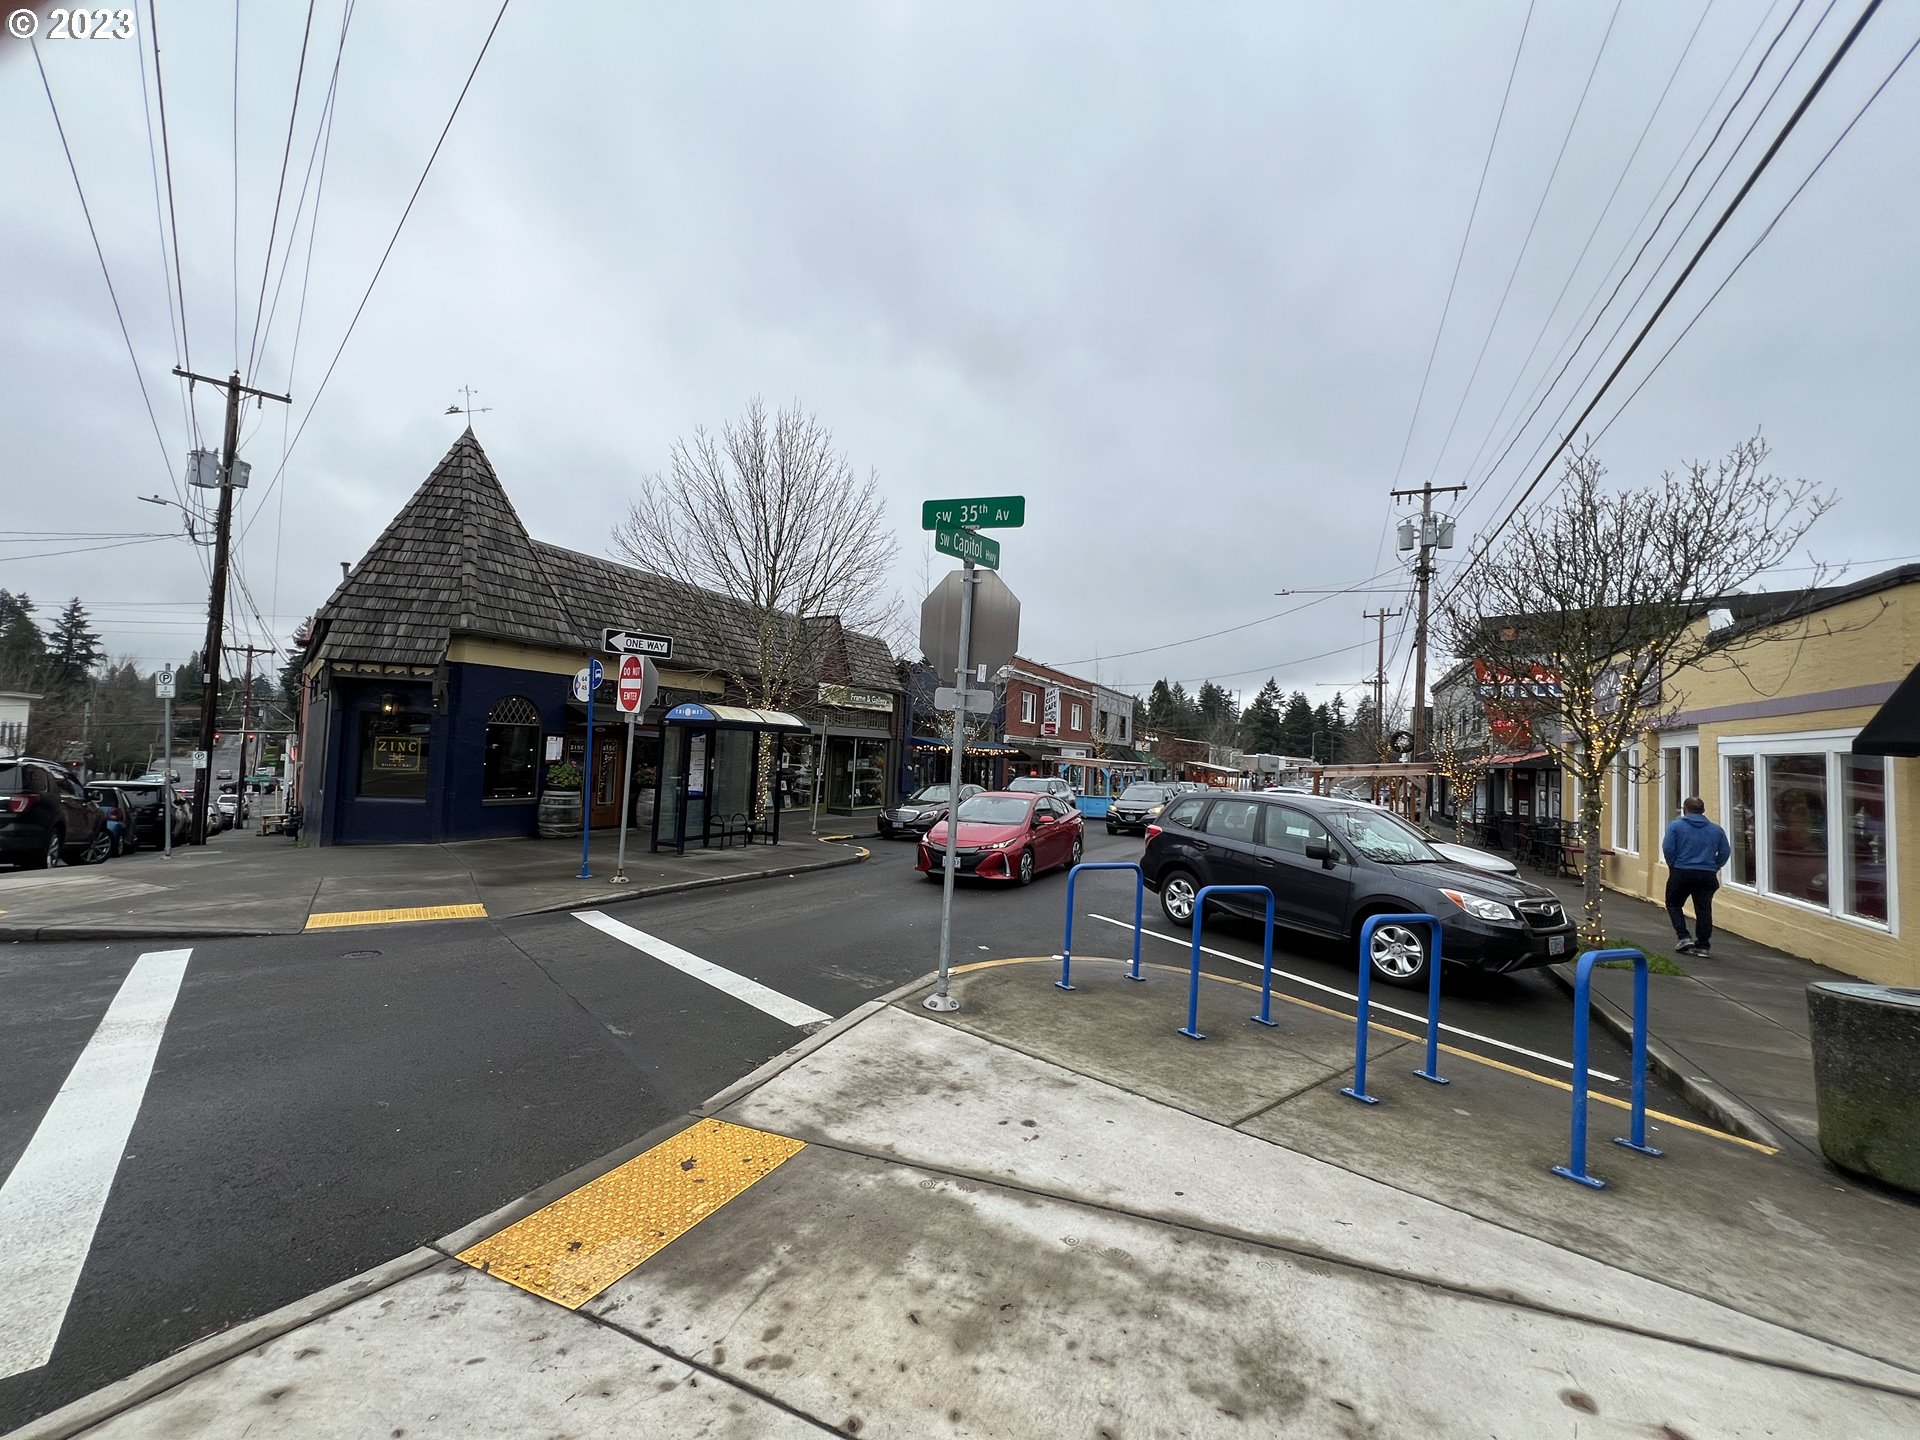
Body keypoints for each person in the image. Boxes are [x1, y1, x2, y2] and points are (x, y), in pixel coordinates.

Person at [1662, 797, 1732, 956]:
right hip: (1706, 873)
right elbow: (1725, 852)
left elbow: (1668, 848)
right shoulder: (1716, 830)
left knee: (1673, 903)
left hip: (1682, 871)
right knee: (1704, 909)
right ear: (1703, 810)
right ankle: (1703, 946)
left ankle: (1684, 936)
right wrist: (1715, 866)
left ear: (1685, 809)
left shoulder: (1676, 826)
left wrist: (1673, 864)